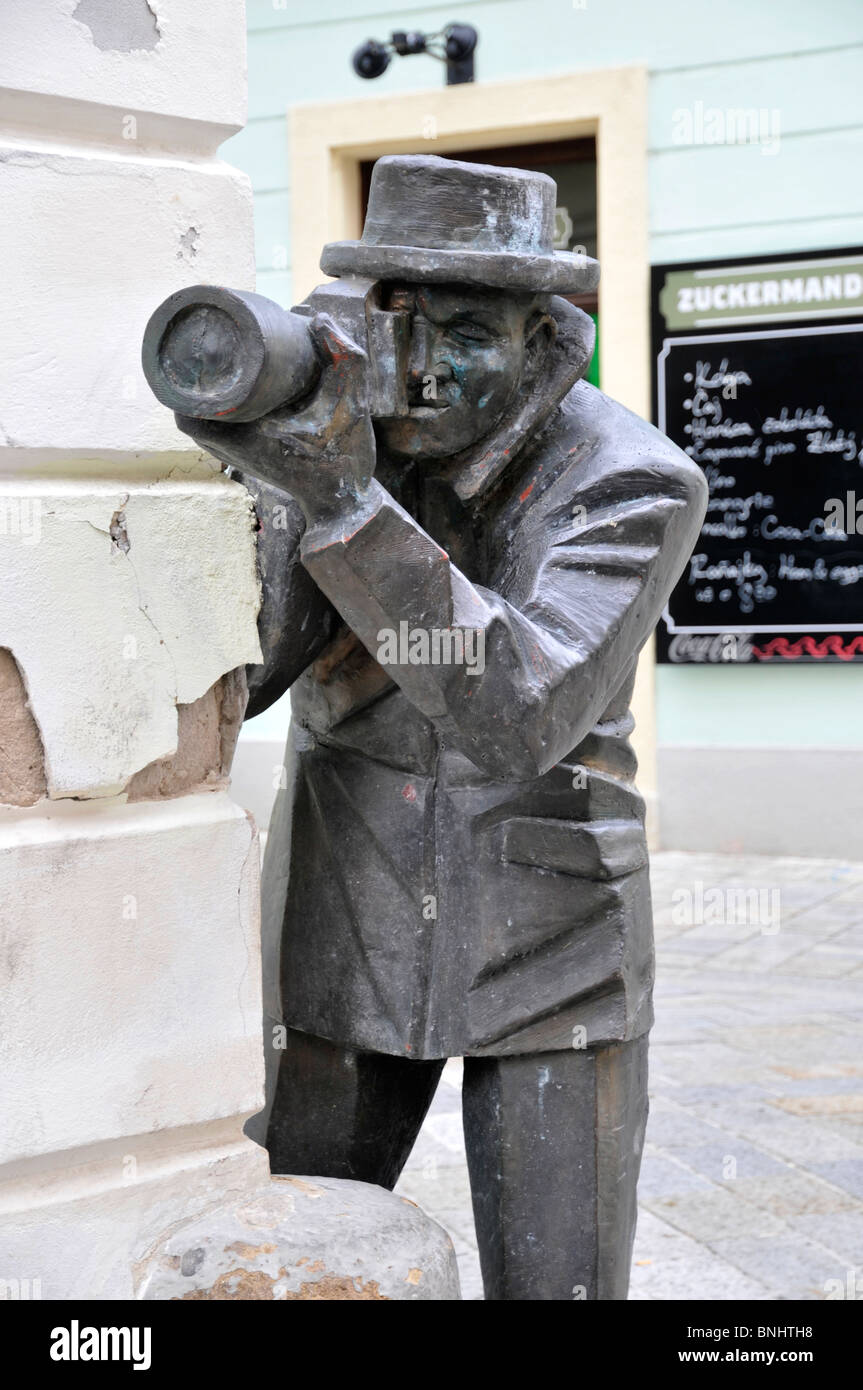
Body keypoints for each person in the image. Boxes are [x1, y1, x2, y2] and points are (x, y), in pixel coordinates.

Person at [177, 155, 708, 1300]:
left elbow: (520, 712)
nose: (415, 372)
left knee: (555, 1285)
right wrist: (266, 483)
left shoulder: (631, 480)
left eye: (462, 331)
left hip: (551, 941)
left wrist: (347, 509)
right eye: (396, 322)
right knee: (298, 1267)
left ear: (541, 333)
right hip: (347, 917)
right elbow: (250, 682)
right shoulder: (350, 443)